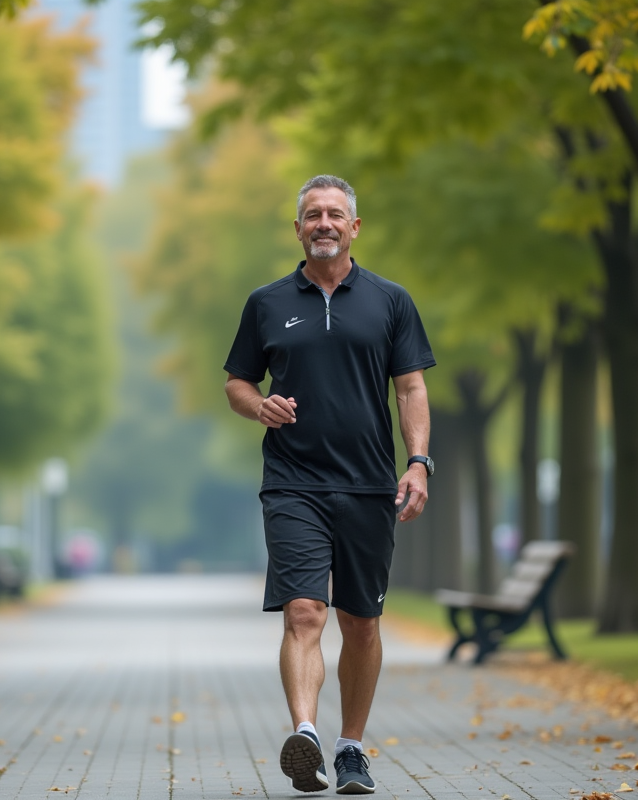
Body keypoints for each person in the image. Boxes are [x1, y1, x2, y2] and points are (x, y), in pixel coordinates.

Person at [223, 175, 435, 794]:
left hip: (369, 483)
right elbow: (237, 381)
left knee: (361, 620)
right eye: (312, 214)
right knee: (304, 611)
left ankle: (350, 749)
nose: (323, 222)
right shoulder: (265, 303)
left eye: (334, 214)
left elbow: (411, 387)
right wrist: (258, 405)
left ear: (354, 227)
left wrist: (418, 461)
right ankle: (307, 735)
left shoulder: (391, 301)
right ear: (297, 229)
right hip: (293, 483)